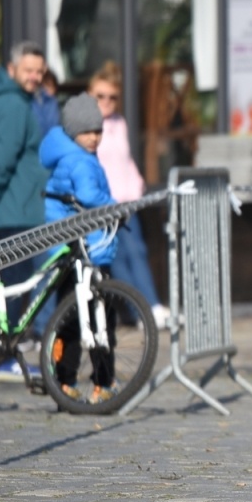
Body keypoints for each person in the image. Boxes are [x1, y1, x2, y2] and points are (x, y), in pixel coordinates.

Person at [0, 41, 50, 381]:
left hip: (15, 205)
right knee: (11, 286)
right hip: (17, 209)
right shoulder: (14, 106)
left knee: (3, 283)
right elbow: (0, 163)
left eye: (40, 72)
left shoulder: (7, 102)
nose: (35, 77)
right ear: (12, 69)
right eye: (29, 70)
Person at [38, 94, 120, 402]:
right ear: (73, 132)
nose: (94, 137)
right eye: (87, 132)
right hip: (84, 249)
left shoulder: (73, 155)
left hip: (76, 249)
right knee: (97, 319)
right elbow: (88, 196)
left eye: (98, 131)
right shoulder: (79, 160)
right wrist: (115, 207)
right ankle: (101, 382)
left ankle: (64, 382)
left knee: (72, 317)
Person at [87, 62, 169, 328]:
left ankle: (153, 306)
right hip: (103, 204)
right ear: (90, 95)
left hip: (126, 200)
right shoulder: (86, 127)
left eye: (113, 97)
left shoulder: (119, 123)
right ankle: (140, 312)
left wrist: (137, 183)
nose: (107, 102)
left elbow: (125, 160)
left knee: (138, 252)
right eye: (100, 96)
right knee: (118, 259)